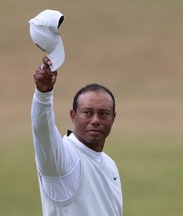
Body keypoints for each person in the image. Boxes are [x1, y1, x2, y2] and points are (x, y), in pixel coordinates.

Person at [31, 57, 123, 216]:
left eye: (103, 114)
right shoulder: (63, 161)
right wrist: (43, 94)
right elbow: (43, 132)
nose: (95, 120)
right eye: (87, 112)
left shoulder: (110, 164)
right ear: (73, 116)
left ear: (113, 118)